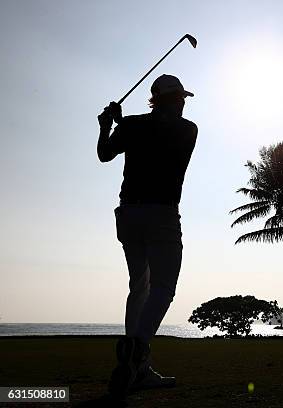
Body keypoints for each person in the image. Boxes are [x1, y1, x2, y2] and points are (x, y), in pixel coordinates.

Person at [97, 74, 198, 399]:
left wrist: (108, 125)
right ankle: (137, 348)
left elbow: (104, 154)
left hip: (128, 214)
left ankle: (138, 370)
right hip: (161, 214)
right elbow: (159, 138)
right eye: (180, 98)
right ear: (173, 100)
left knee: (139, 286)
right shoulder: (188, 129)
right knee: (163, 287)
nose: (183, 103)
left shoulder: (133, 126)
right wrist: (122, 125)